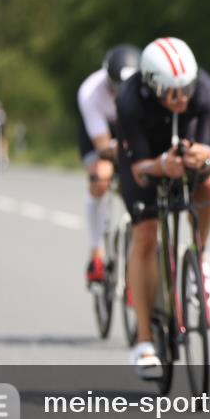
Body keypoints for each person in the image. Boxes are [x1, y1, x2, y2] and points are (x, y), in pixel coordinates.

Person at [116, 37, 210, 378]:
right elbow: (139, 168)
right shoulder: (130, 99)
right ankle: (144, 339)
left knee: (209, 181)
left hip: (182, 146)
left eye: (186, 89)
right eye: (170, 91)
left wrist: (199, 157)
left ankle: (199, 256)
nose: (181, 99)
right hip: (145, 157)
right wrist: (161, 164)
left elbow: (208, 150)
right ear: (150, 85)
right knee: (145, 233)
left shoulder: (206, 92)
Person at [78, 44, 141, 285]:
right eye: (115, 89)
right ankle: (96, 252)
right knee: (102, 176)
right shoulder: (90, 92)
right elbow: (103, 146)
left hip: (128, 129)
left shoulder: (143, 88)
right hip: (100, 133)